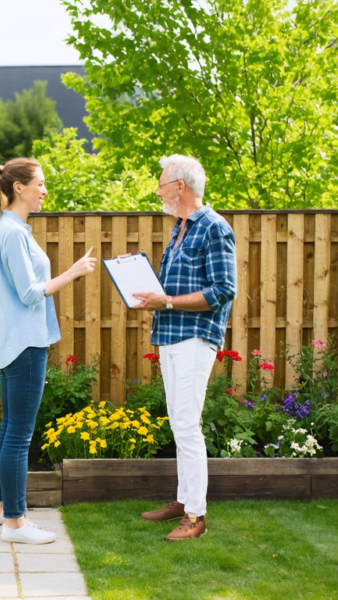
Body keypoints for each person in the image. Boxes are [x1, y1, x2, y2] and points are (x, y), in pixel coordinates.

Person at [0, 157, 97, 544]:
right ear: (19, 188)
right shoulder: (12, 233)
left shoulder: (12, 229)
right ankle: (15, 523)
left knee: (10, 429)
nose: (45, 191)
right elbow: (31, 293)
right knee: (19, 435)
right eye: (40, 184)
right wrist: (73, 272)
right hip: (26, 343)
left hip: (18, 341)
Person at [132, 155, 237, 540]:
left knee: (188, 424)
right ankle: (183, 499)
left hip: (195, 336)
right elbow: (170, 290)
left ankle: (197, 516)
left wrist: (169, 302)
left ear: (179, 187)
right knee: (179, 422)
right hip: (170, 335)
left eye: (161, 184)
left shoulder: (213, 228)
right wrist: (150, 296)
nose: (158, 191)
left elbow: (224, 290)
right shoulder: (179, 228)